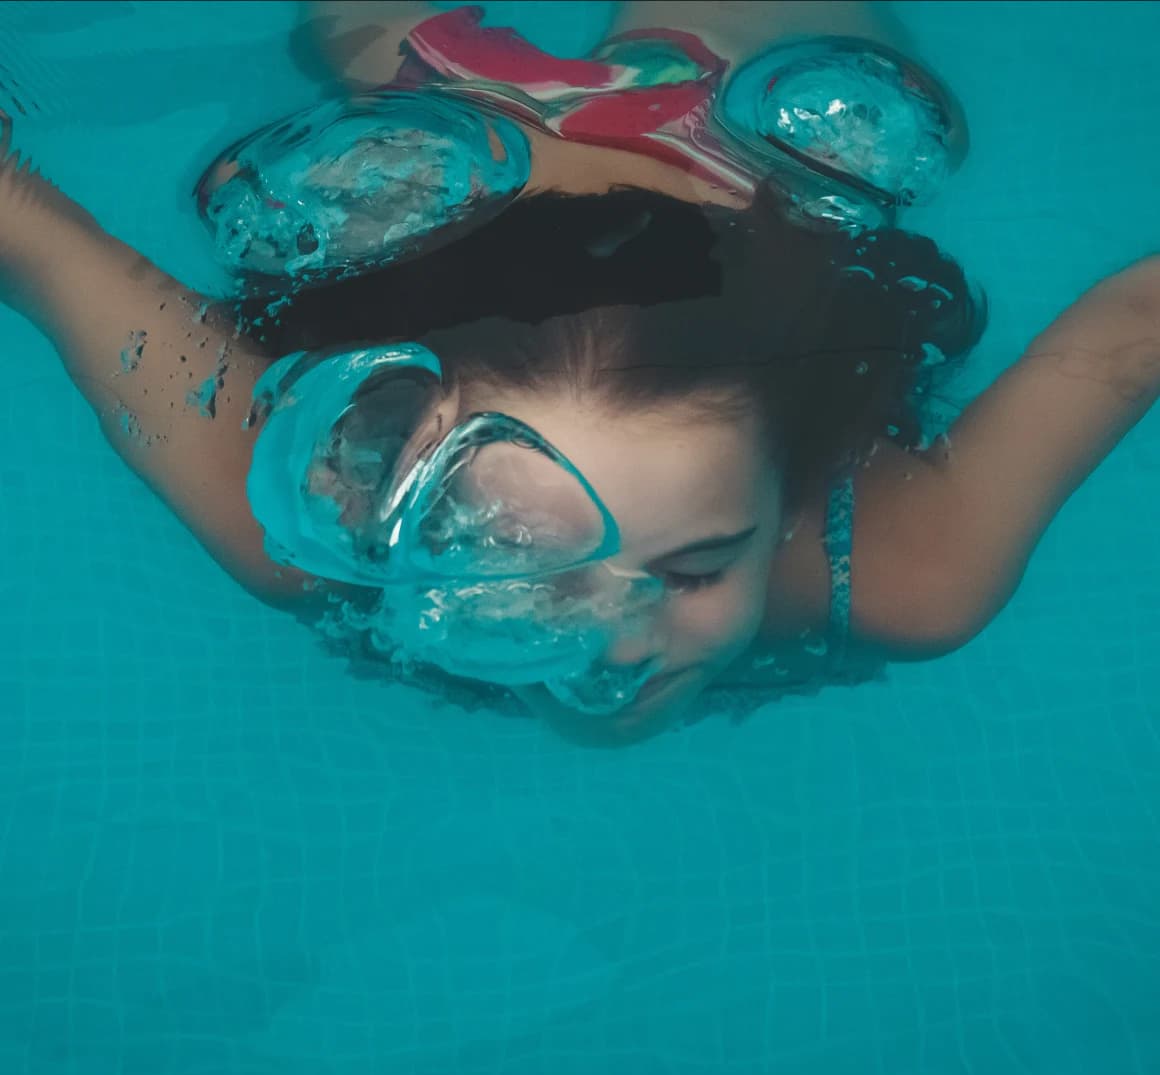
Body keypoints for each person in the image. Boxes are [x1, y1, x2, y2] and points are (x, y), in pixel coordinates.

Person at [1, 5, 1158, 747]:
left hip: (504, 125)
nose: (616, 642)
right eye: (535, 563)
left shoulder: (900, 558)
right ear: (395, 463)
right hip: (703, 135)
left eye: (698, 565)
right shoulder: (330, 501)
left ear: (789, 493)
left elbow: (28, 230)